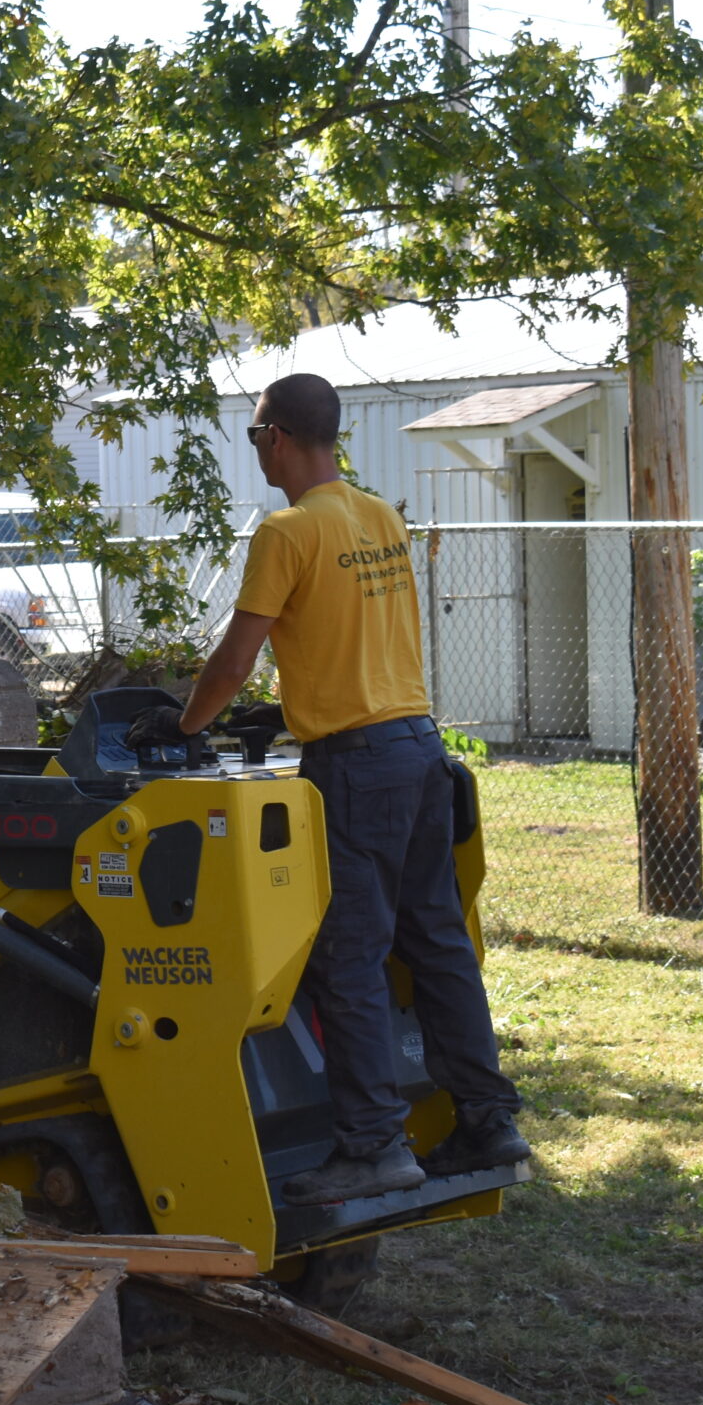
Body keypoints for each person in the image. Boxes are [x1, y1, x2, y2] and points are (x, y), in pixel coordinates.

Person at [125, 372, 529, 1205]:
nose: (258, 452)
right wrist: (289, 707)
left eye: (255, 436)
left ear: (274, 435)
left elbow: (235, 657)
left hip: (355, 769)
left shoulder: (286, 531)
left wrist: (189, 724)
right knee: (437, 941)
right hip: (419, 750)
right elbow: (359, 647)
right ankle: (490, 1119)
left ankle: (372, 1143)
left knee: (352, 954)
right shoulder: (379, 516)